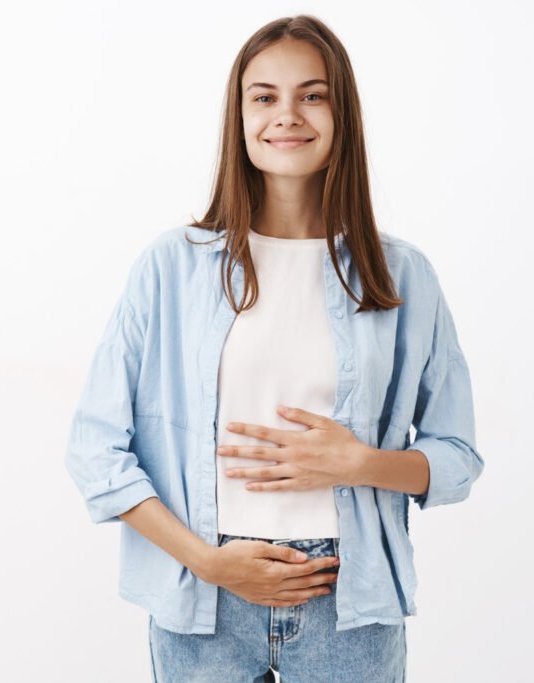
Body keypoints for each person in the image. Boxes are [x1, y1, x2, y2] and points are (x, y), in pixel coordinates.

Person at [62, 14, 484, 683]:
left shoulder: (402, 276)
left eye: (312, 95)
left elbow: (457, 457)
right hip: (205, 601)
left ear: (341, 113)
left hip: (350, 602)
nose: (287, 114)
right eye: (264, 96)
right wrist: (205, 561)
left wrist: (360, 461)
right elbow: (95, 450)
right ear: (240, 116)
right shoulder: (172, 267)